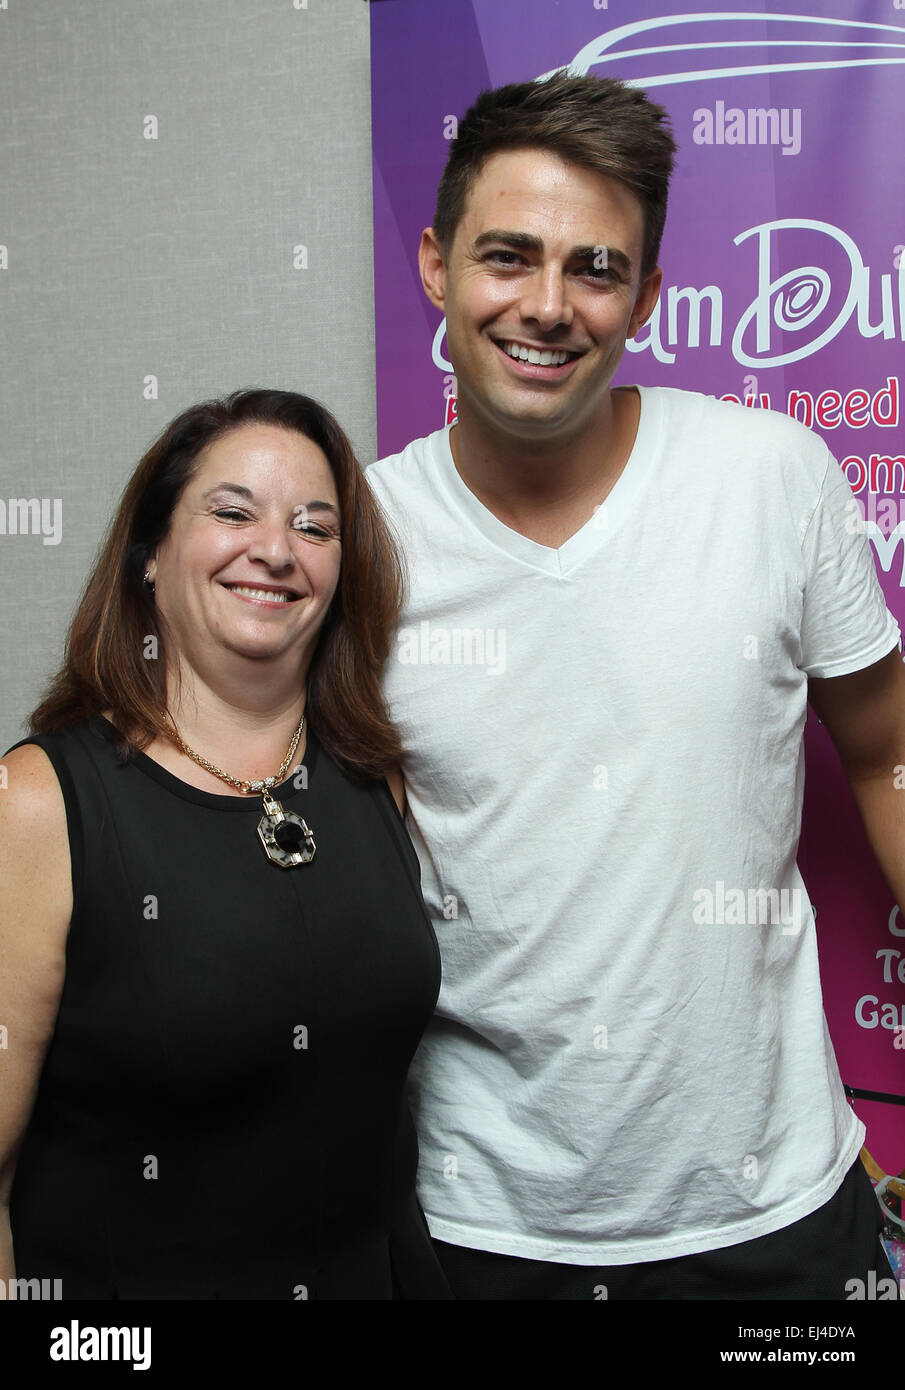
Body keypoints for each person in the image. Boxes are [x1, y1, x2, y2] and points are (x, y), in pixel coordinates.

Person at [365, 72, 903, 1299]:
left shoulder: (768, 476)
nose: (547, 306)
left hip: (773, 1216)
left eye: (594, 269)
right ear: (436, 266)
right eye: (508, 257)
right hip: (479, 1225)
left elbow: (882, 751)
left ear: (647, 297)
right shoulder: (358, 540)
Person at [0, 388, 451, 1300]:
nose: (276, 550)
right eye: (232, 512)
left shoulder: (375, 782)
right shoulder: (42, 804)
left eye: (315, 528)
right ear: (152, 558)